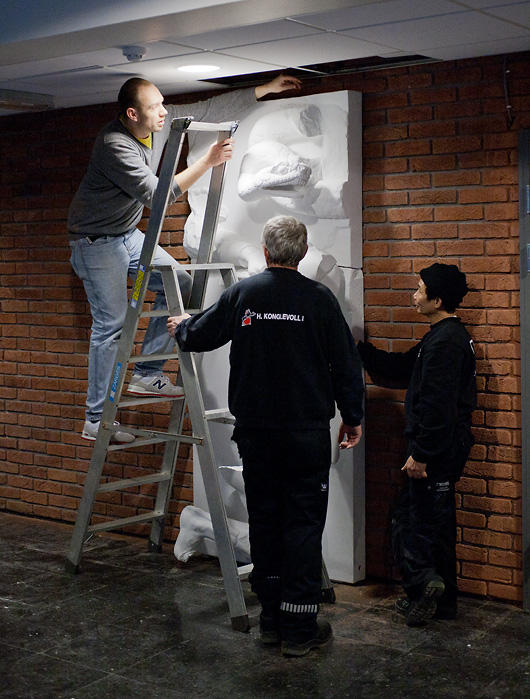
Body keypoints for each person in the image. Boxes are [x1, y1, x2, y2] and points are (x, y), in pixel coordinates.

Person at [167, 215, 364, 657]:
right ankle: (299, 629)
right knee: (302, 526)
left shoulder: (245, 294)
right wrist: (352, 417)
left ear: (265, 250)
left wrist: (182, 327)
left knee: (266, 522)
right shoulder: (319, 299)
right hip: (305, 435)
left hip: (256, 435)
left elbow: (201, 334)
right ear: (303, 252)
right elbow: (346, 364)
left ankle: (272, 622)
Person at [67, 73, 301, 442]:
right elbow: (157, 196)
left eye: (162, 103)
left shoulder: (161, 123)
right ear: (132, 114)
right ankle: (96, 420)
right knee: (112, 325)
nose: (163, 112)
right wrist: (208, 161)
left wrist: (263, 89)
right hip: (95, 241)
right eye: (154, 107)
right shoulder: (115, 144)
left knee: (180, 284)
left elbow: (208, 108)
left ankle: (147, 374)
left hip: (127, 234)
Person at [357, 263, 476, 627]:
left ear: (437, 300)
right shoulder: (441, 337)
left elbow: (439, 407)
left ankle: (424, 586)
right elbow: (402, 367)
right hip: (442, 450)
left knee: (413, 523)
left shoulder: (446, 343)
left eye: (420, 290)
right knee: (435, 525)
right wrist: (360, 350)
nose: (414, 295)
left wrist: (422, 455)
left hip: (435, 453)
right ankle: (444, 602)